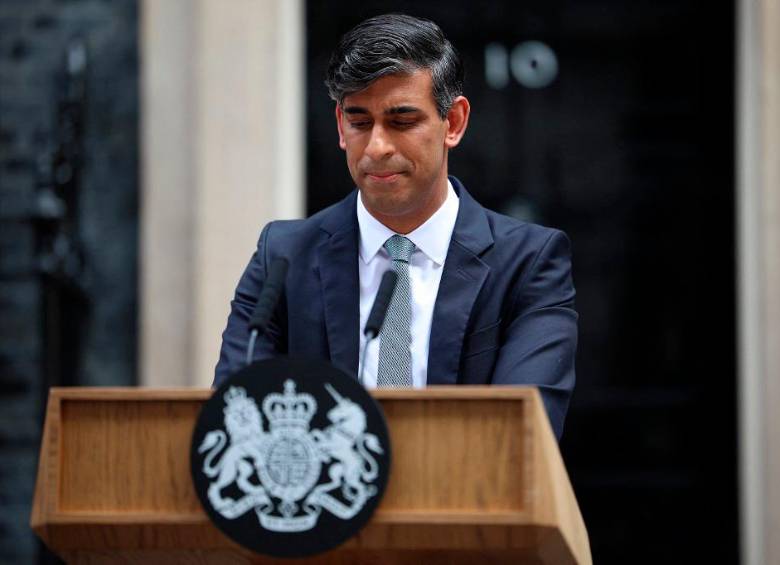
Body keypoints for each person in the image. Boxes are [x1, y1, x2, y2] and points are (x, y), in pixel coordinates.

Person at [214, 14, 577, 439]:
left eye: (402, 121)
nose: (377, 147)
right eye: (359, 122)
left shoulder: (527, 263)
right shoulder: (284, 257)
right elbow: (233, 422)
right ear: (339, 125)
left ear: (454, 122)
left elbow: (521, 437)